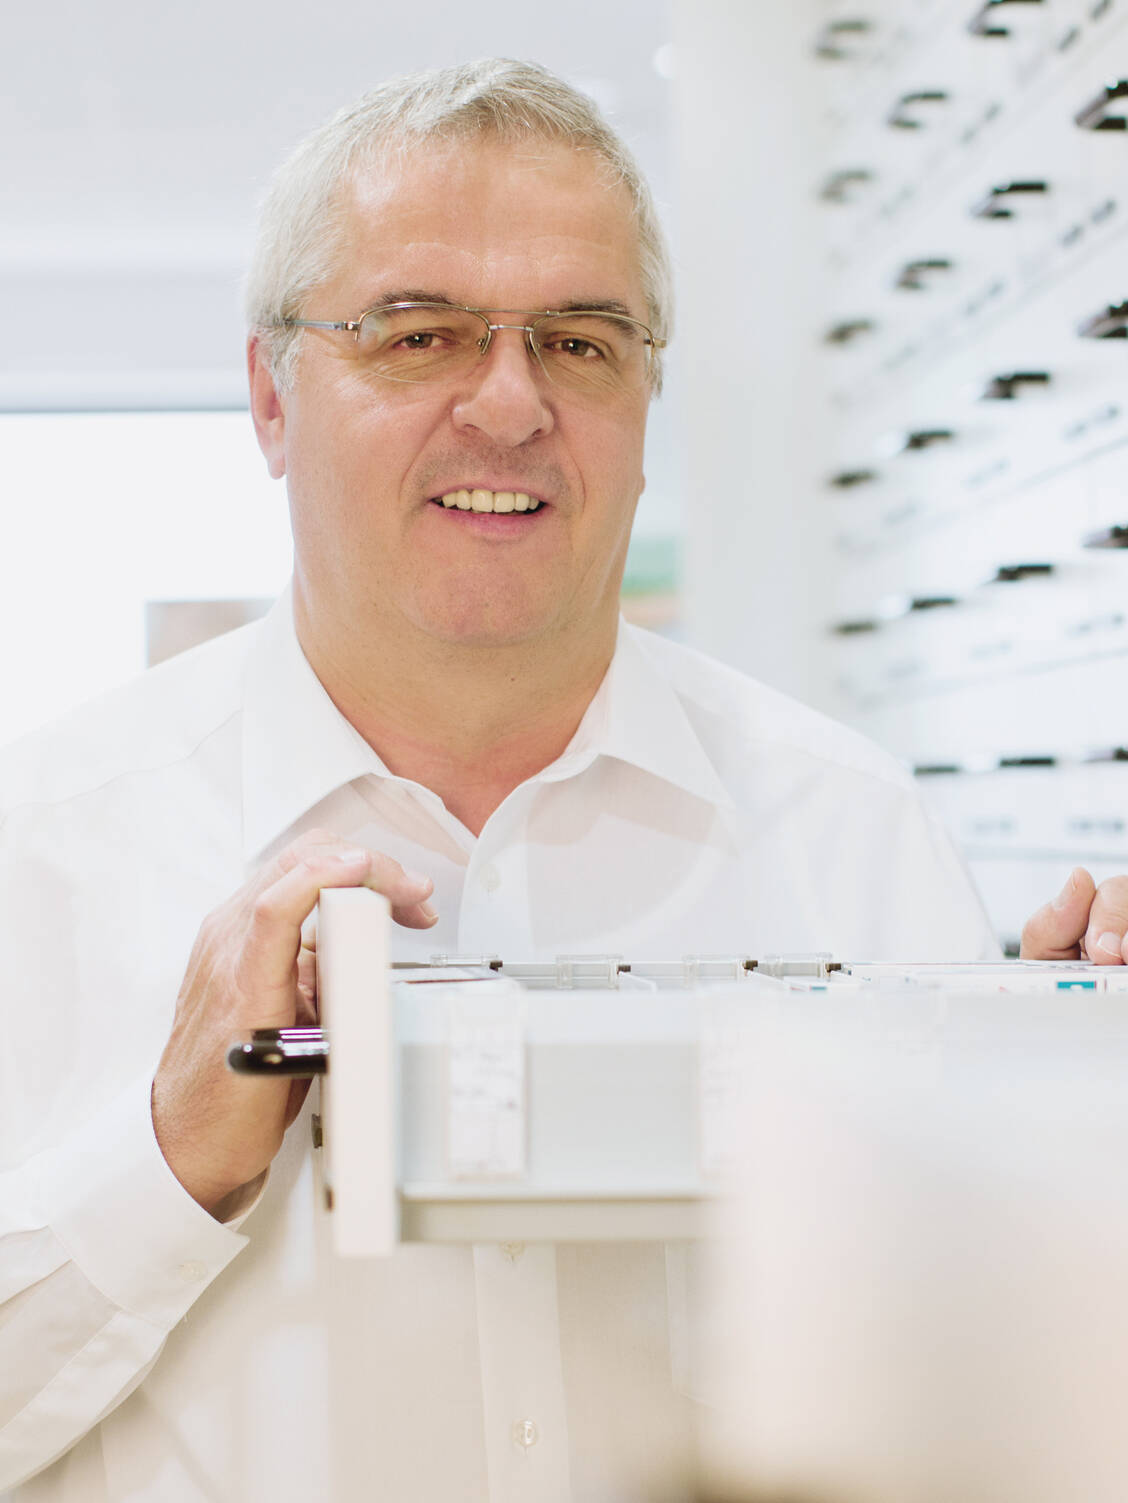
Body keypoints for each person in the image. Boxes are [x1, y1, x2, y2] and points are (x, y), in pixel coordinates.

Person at [1, 57, 1125, 1503]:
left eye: (583, 343)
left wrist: (1055, 1153)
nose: (511, 403)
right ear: (272, 400)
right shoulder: (42, 855)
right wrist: (163, 1163)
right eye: (418, 337)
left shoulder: (856, 839)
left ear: (649, 399)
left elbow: (988, 1431)